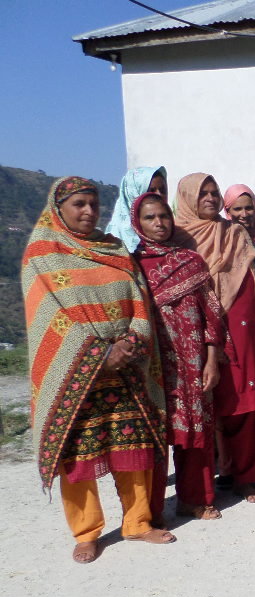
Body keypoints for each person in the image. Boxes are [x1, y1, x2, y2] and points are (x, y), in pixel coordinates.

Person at [22, 177, 174, 563]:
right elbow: (46, 317)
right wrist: (95, 355)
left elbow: (141, 303)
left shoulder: (115, 249)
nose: (89, 212)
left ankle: (138, 522)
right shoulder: (42, 254)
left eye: (94, 204)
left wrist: (128, 345)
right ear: (60, 209)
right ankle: (87, 531)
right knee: (78, 459)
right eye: (79, 205)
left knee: (133, 446)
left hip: (127, 367)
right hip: (78, 373)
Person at [131, 191, 226, 521]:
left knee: (196, 433)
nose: (159, 223)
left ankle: (194, 499)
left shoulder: (191, 261)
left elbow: (212, 313)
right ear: (137, 223)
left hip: (193, 363)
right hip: (152, 367)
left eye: (163, 216)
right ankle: (152, 512)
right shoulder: (132, 267)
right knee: (155, 436)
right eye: (150, 218)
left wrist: (212, 359)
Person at [173, 172, 255, 504]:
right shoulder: (178, 238)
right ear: (187, 199)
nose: (211, 199)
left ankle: (245, 476)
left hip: (242, 330)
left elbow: (252, 284)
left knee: (243, 403)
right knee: (204, 408)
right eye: (204, 194)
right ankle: (209, 479)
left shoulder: (235, 234)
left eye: (214, 193)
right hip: (195, 334)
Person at [106, 166, 168, 252]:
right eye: (151, 190)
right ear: (134, 194)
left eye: (162, 190)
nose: (159, 195)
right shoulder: (115, 239)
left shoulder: (169, 230)